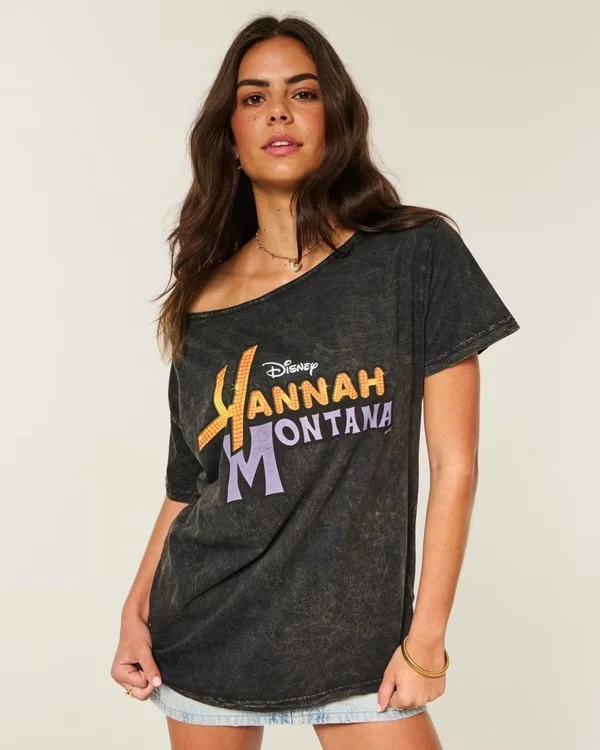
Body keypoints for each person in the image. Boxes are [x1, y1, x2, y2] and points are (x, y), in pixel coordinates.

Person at [110, 13, 520, 750]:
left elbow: (454, 464)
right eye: (254, 97)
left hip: (360, 654)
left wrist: (427, 640)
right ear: (230, 136)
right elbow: (191, 482)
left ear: (334, 119)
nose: (278, 111)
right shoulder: (204, 304)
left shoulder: (414, 256)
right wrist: (134, 611)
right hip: (204, 636)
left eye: (302, 93)